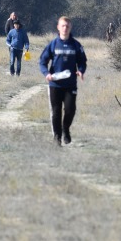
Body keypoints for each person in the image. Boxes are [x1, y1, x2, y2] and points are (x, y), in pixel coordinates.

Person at [39, 16, 87, 146]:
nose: (65, 28)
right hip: (55, 84)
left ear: (70, 28)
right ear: (58, 27)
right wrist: (46, 73)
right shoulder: (53, 44)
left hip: (70, 84)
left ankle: (66, 129)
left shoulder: (76, 45)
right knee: (56, 112)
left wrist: (81, 71)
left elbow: (82, 61)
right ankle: (57, 139)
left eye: (67, 26)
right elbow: (42, 61)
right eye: (63, 26)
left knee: (70, 110)